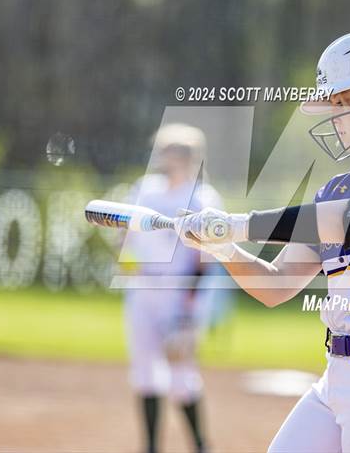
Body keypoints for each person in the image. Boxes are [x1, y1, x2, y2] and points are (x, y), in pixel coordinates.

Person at [177, 29, 350, 452]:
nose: (335, 116)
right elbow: (276, 284)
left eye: (343, 102)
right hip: (336, 378)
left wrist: (239, 224)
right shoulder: (336, 188)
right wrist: (224, 249)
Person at [121, 124, 224, 453]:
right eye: (166, 151)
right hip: (143, 289)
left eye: (177, 152)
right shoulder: (144, 190)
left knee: (181, 372)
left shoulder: (202, 198)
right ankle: (151, 447)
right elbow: (123, 239)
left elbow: (205, 261)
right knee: (144, 371)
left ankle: (200, 445)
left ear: (192, 158)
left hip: (180, 293)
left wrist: (189, 311)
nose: (169, 158)